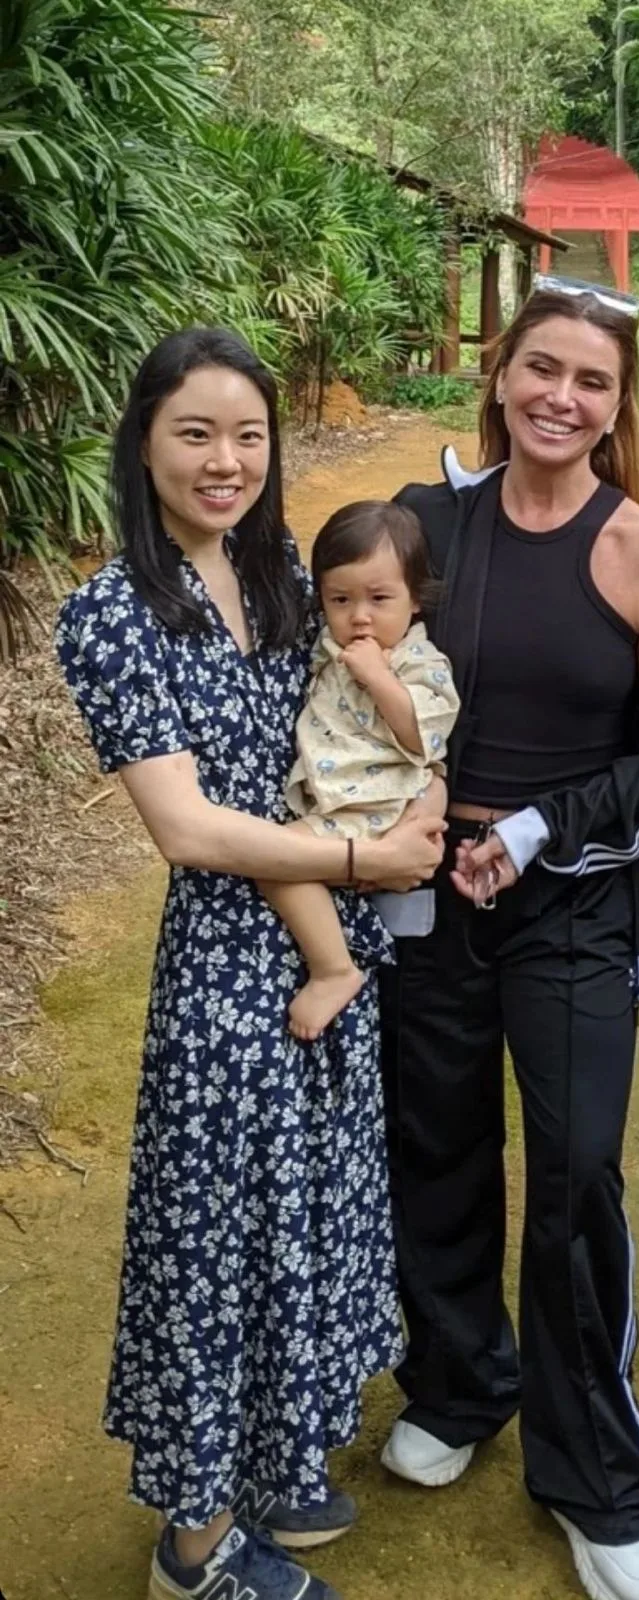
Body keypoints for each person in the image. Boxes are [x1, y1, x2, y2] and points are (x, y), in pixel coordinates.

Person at [54, 327, 446, 1600]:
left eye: (247, 434)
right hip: (229, 974)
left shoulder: (280, 567)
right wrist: (362, 867)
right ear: (144, 443)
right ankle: (194, 1544)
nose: (225, 460)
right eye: (194, 433)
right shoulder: (112, 614)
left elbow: (350, 707)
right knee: (211, 1242)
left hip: (332, 948)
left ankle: (272, 1464)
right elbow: (184, 827)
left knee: (306, 1218)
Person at [376, 277, 639, 1600]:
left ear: (616, 404)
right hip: (428, 895)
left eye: (590, 380)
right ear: (501, 375)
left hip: (576, 904)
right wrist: (410, 819)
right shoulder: (427, 527)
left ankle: (592, 1475)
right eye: (541, 368)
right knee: (434, 1140)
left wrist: (537, 830)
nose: (560, 397)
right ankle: (462, 1378)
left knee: (577, 1168)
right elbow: (358, 678)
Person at [262, 499, 459, 1039]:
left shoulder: (419, 663)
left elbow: (425, 738)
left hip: (373, 805)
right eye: (340, 599)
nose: (360, 616)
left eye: (379, 599)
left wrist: (380, 678)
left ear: (416, 599)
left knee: (275, 861)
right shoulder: (330, 645)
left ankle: (334, 970)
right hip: (341, 799)